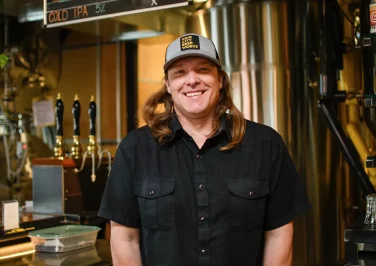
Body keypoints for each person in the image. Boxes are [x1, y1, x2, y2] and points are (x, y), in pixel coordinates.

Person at [98, 33, 312, 266]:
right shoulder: (135, 149)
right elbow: (124, 238)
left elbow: (279, 233)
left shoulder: (266, 145)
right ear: (168, 84)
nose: (192, 80)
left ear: (220, 79)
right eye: (180, 72)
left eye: (202, 69)